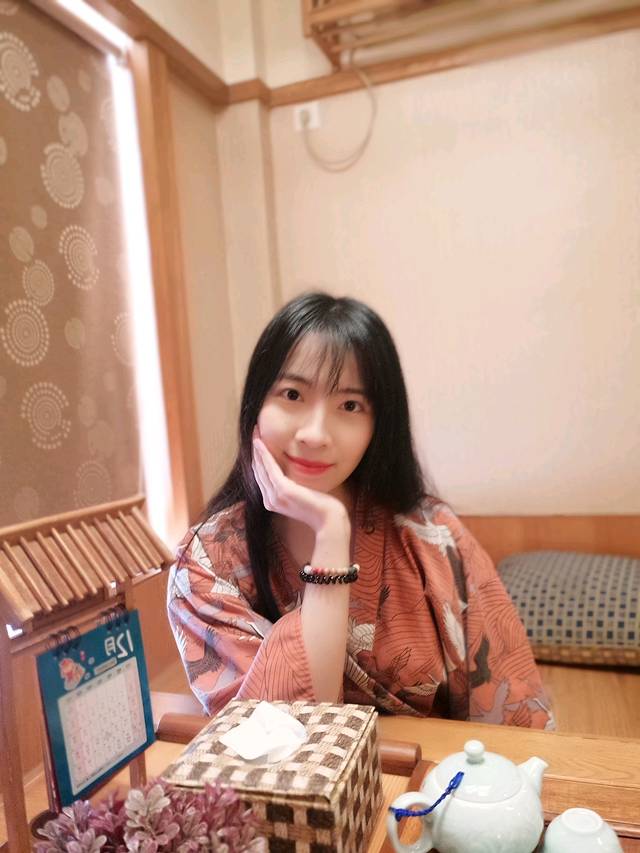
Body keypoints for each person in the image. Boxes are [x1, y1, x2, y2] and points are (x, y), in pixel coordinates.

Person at [168, 292, 553, 728]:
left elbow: (515, 714)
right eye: (292, 394)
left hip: (437, 768)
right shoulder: (206, 561)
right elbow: (280, 733)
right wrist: (331, 532)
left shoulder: (433, 537)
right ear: (256, 404)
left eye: (349, 405)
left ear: (378, 424)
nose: (315, 434)